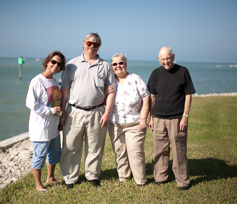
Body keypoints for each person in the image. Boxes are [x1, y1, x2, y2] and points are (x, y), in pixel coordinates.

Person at [59, 33, 115, 189]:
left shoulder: (105, 66)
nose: (92, 46)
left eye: (96, 44)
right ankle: (70, 177)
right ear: (83, 43)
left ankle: (92, 175)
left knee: (95, 146)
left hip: (97, 112)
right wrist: (63, 111)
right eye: (90, 43)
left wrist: (107, 112)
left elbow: (111, 91)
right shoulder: (72, 65)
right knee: (70, 145)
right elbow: (64, 89)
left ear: (99, 47)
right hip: (74, 112)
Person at [147, 47, 195, 191]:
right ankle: (160, 177)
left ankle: (183, 181)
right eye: (163, 59)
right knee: (159, 150)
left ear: (173, 56)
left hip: (177, 118)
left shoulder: (183, 71)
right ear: (158, 59)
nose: (166, 62)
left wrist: (185, 117)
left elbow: (188, 95)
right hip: (159, 118)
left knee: (179, 150)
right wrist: (152, 117)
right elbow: (152, 97)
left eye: (168, 58)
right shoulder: (155, 74)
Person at [26, 50, 66, 192]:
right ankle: (38, 185)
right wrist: (50, 111)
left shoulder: (54, 81)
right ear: (48, 61)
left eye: (59, 64)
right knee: (39, 157)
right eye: (53, 62)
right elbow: (31, 103)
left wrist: (60, 118)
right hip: (40, 128)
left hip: (53, 127)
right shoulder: (36, 81)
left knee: (55, 154)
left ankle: (50, 177)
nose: (55, 65)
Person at [108, 54, 150, 186]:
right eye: (114, 64)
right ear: (111, 66)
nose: (118, 66)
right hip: (114, 123)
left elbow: (146, 98)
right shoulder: (109, 81)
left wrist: (143, 119)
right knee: (120, 152)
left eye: (120, 63)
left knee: (136, 152)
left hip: (135, 123)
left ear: (125, 64)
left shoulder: (135, 78)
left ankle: (140, 180)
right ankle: (124, 177)